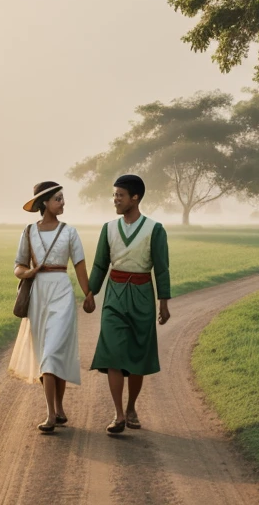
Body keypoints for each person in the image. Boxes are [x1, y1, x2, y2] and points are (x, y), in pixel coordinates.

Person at [86, 173, 171, 435]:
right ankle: (118, 414)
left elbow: (162, 269)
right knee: (112, 352)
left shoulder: (155, 229)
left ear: (135, 198)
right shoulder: (108, 228)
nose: (115, 200)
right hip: (114, 295)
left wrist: (163, 303)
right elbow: (101, 263)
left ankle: (132, 406)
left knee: (136, 354)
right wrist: (91, 293)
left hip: (142, 294)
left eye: (119, 195)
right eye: (114, 195)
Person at [9, 180, 95, 434]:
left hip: (62, 293)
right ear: (44, 203)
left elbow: (79, 266)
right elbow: (17, 266)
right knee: (46, 351)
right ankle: (56, 409)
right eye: (58, 198)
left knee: (54, 351)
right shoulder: (28, 232)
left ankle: (50, 414)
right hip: (38, 295)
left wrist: (88, 294)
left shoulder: (70, 232)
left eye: (62, 198)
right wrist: (28, 272)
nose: (62, 202)